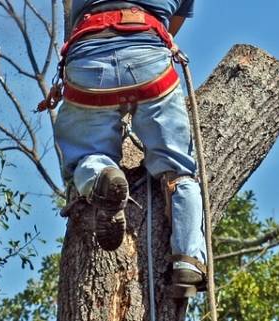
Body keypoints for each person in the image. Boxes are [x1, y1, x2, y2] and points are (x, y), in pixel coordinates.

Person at [52, 0, 207, 295]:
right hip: (149, 60)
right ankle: (188, 260)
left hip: (87, 60)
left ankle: (99, 175)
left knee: (86, 153)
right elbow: (170, 29)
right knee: (178, 167)